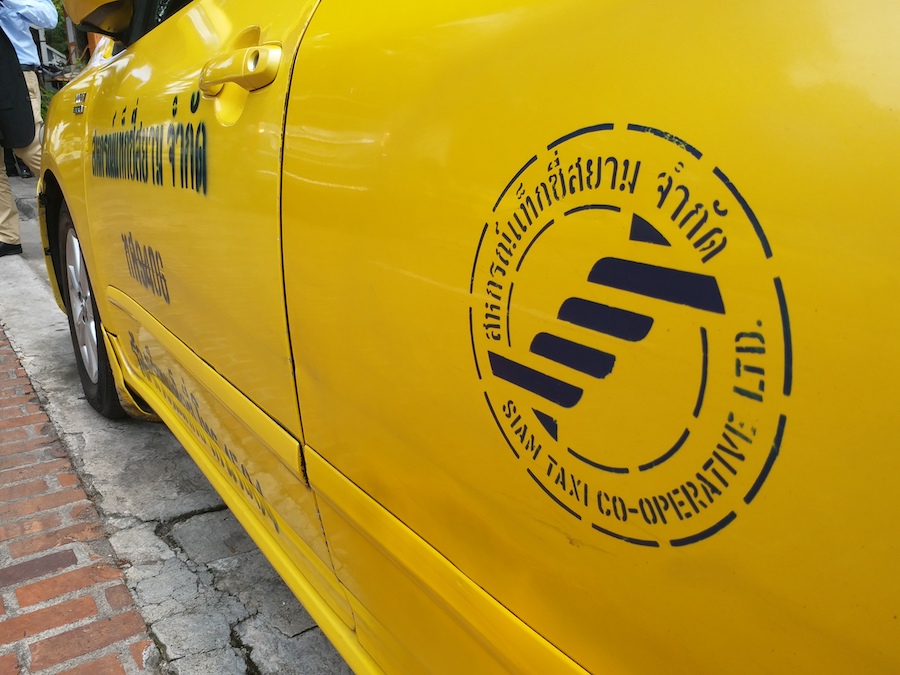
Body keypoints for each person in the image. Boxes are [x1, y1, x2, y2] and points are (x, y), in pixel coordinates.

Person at [0, 0, 58, 258]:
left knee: (30, 145)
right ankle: (7, 237)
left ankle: (79, 208)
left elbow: (49, 17)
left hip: (19, 77)